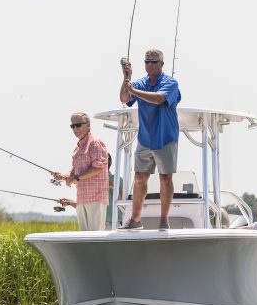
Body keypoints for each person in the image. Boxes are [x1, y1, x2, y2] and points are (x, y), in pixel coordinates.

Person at [118, 48, 182, 230]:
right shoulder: (138, 83)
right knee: (139, 178)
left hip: (166, 137)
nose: (150, 65)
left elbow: (159, 99)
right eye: (147, 61)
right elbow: (124, 97)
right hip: (145, 138)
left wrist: (134, 91)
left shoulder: (170, 82)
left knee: (165, 178)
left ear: (162, 64)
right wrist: (127, 77)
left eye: (154, 62)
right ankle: (135, 220)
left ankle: (164, 221)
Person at [50, 112, 109, 231]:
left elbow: (98, 167)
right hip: (82, 199)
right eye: (72, 126)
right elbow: (74, 172)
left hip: (96, 198)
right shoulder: (78, 147)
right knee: (85, 237)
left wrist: (75, 178)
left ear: (88, 125)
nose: (75, 129)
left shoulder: (95, 142)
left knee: (95, 236)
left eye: (78, 125)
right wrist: (62, 176)